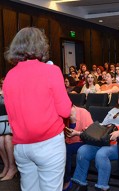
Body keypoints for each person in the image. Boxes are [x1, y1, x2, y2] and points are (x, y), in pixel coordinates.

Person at [3, 27, 72, 191]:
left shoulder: (9, 77)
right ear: (41, 46)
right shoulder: (52, 71)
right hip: (48, 144)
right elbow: (65, 111)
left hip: (21, 146)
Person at [69, 88, 119, 191]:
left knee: (102, 153)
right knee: (83, 150)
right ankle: (80, 182)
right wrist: (91, 129)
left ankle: (102, 186)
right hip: (105, 141)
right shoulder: (114, 110)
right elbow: (103, 125)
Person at [63, 105, 93, 191]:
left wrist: (77, 133)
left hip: (83, 141)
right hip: (68, 142)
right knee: (60, 148)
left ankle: (67, 181)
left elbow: (91, 134)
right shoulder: (63, 116)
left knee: (65, 150)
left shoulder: (83, 112)